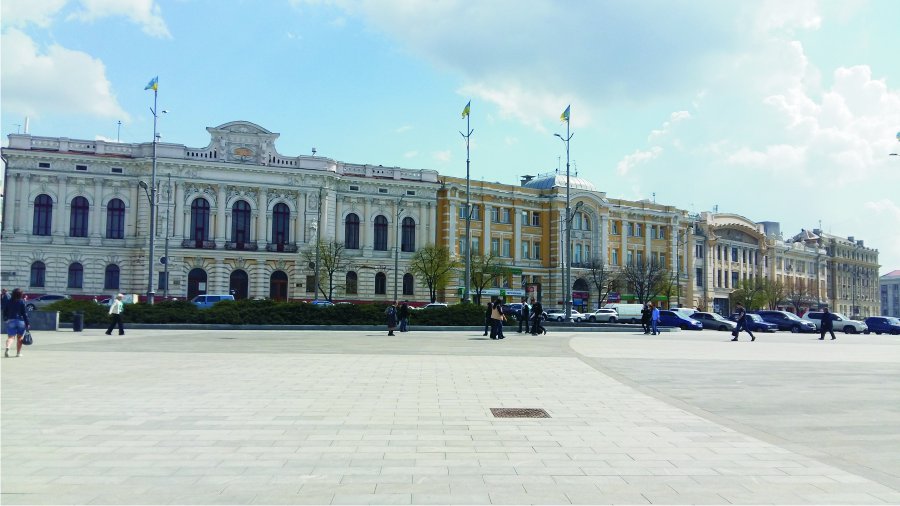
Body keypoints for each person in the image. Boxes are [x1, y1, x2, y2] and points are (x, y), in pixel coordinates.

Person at [5, 288, 30, 358]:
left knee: (11, 337)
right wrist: (27, 323)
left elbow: (5, 311)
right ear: (20, 294)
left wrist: (6, 319)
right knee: (20, 337)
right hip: (21, 321)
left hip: (11, 320)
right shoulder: (22, 302)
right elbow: (24, 314)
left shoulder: (9, 301)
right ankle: (18, 353)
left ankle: (7, 348)